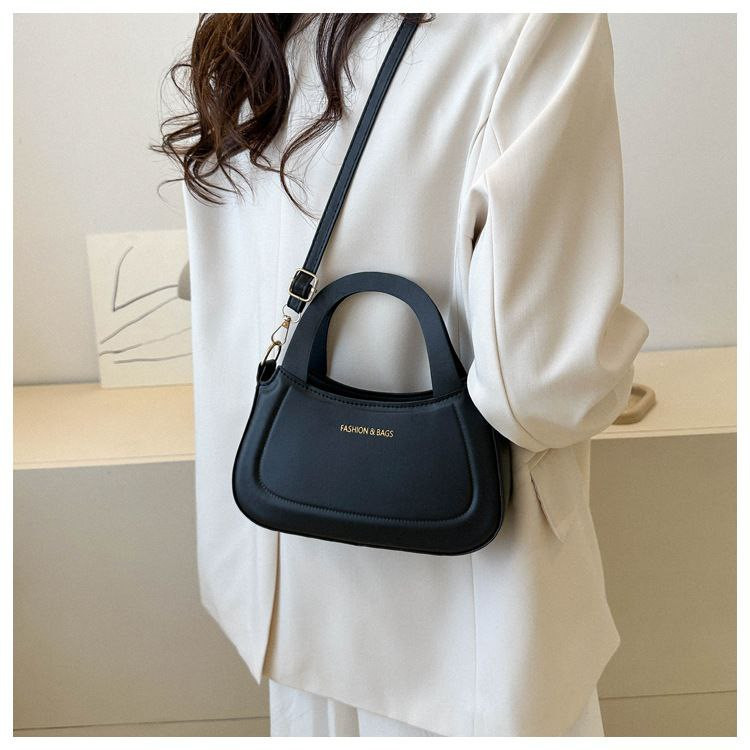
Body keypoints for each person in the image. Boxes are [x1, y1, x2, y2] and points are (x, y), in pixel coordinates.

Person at [156, 12, 649, 737]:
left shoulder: (252, 24)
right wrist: (613, 367)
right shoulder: (535, 21)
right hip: (458, 626)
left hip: (286, 570)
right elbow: (542, 389)